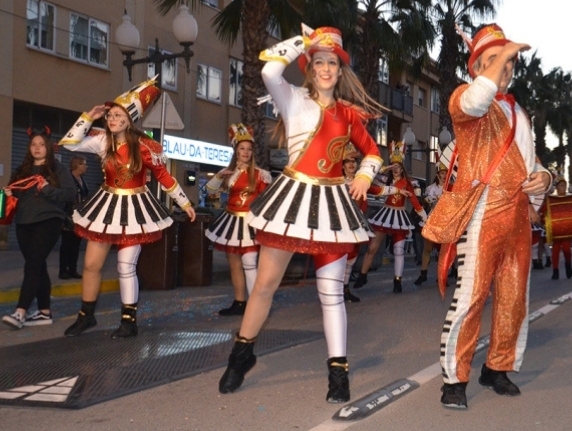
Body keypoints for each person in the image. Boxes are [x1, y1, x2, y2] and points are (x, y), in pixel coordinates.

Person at [217, 26, 384, 402]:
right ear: (310, 67)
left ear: (340, 72)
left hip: (332, 206)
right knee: (264, 285)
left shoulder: (349, 115)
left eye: (332, 63)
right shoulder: (292, 98)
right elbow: (268, 71)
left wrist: (362, 175)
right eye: (319, 62)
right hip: (291, 198)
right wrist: (303, 43)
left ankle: (338, 374)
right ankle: (241, 354)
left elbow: (373, 152)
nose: (326, 69)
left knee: (331, 294)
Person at [422, 24, 551, 409]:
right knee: (472, 296)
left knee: (515, 297)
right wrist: (504, 52)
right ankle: (454, 379)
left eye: (510, 61)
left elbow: (534, 162)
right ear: (476, 66)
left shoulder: (519, 112)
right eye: (495, 60)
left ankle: (498, 368)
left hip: (517, 215)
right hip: (483, 210)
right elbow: (477, 100)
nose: (506, 67)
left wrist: (544, 178)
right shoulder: (466, 98)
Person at [58, 79, 196, 339]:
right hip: (106, 206)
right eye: (110, 115)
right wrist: (89, 116)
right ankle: (86, 316)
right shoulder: (101, 141)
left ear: (130, 119)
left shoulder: (145, 147)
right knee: (90, 264)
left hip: (135, 210)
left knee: (125, 266)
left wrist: (185, 203)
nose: (111, 118)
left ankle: (129, 321)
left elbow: (164, 177)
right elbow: (69, 143)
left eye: (118, 115)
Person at [2, 128, 76, 329]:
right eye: (33, 144)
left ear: (49, 147)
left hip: (48, 221)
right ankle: (44, 312)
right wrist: (9, 194)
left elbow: (70, 193)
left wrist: (47, 190)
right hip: (23, 223)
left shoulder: (57, 169)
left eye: (41, 144)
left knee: (33, 265)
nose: (37, 148)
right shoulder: (21, 170)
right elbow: (15, 199)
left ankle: (20, 312)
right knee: (38, 265)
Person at [205, 124, 272, 316]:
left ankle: (256, 304)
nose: (246, 152)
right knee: (234, 263)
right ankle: (240, 302)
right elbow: (210, 191)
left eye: (249, 149)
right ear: (236, 151)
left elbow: (266, 201)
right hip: (231, 220)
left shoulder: (260, 175)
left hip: (250, 222)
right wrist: (218, 177)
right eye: (242, 149)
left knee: (250, 261)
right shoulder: (228, 173)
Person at [353, 143, 427, 294]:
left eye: (398, 166)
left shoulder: (407, 183)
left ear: (402, 168)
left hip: (399, 217)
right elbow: (370, 177)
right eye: (393, 166)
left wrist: (425, 217)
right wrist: (386, 168)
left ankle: (397, 280)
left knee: (399, 250)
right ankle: (363, 275)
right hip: (385, 215)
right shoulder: (383, 179)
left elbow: (414, 201)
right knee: (373, 248)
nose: (395, 169)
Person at [341, 142, 368, 302]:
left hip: (356, 225)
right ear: (343, 165)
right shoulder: (336, 182)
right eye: (348, 161)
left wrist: (397, 190)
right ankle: (334, 291)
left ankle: (345, 288)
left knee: (352, 257)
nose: (351, 164)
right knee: (338, 258)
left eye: (354, 161)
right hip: (339, 225)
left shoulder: (361, 182)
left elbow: (376, 191)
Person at [415, 163, 448, 285]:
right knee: (427, 248)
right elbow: (426, 200)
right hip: (434, 219)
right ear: (438, 174)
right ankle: (423, 273)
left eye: (446, 173)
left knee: (444, 250)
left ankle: (442, 276)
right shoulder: (431, 188)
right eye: (442, 173)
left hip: (446, 220)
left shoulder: (451, 188)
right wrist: (437, 197)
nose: (444, 175)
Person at [539, 176, 572, 280]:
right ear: (556, 188)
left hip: (567, 230)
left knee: (566, 250)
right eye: (561, 185)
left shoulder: (571, 199)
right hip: (555, 230)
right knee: (555, 251)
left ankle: (568, 264)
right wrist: (544, 219)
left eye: (564, 185)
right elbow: (543, 212)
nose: (563, 187)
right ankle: (555, 270)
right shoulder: (551, 200)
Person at [58, 155, 89, 279]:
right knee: (66, 244)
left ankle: (72, 269)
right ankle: (63, 271)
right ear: (77, 165)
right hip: (68, 216)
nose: (86, 166)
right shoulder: (68, 178)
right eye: (84, 164)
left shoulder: (82, 179)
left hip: (79, 217)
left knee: (76, 244)